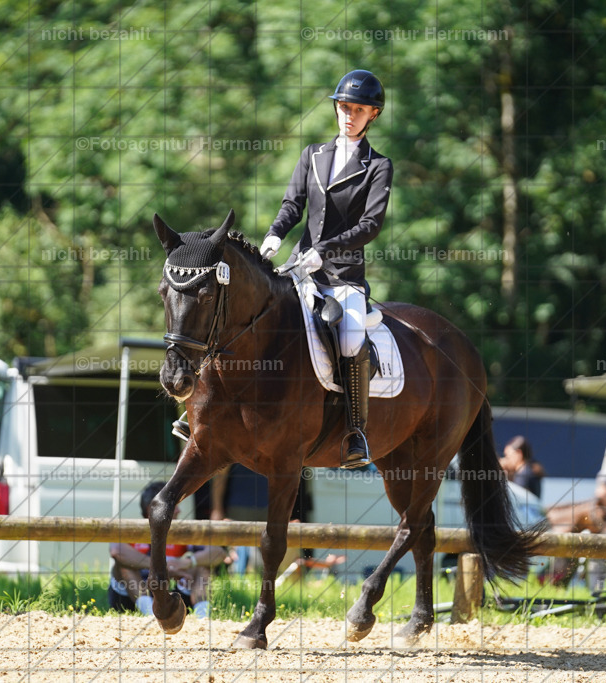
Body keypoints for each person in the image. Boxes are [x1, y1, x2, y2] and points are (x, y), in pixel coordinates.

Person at [259, 69, 393, 469]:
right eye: (343, 107)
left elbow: (370, 225)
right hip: (300, 267)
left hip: (343, 275)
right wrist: (274, 235)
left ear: (373, 115)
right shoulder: (312, 155)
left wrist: (326, 249)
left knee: (351, 340)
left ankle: (355, 432)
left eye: (357, 109)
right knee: (255, 312)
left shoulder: (378, 166)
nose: (348, 115)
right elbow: (291, 205)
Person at [108, 481, 226, 618]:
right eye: (174, 505)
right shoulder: (133, 531)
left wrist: (188, 562)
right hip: (130, 600)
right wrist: (164, 568)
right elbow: (116, 551)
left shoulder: (182, 532)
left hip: (173, 595)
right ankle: (151, 616)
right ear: (152, 508)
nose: (179, 510)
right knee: (122, 567)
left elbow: (219, 552)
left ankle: (203, 617)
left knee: (202, 566)